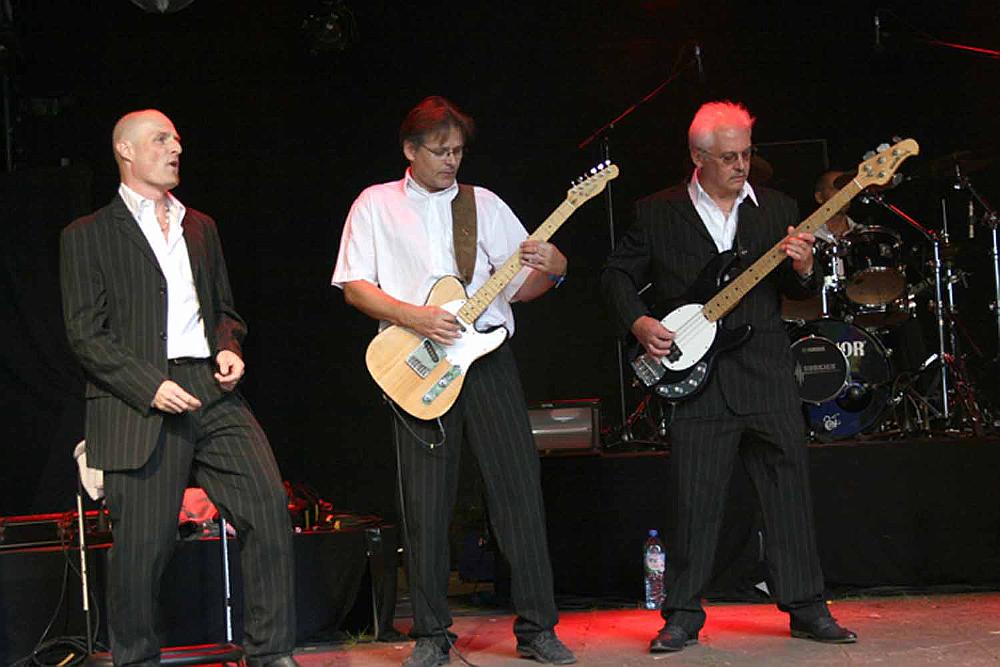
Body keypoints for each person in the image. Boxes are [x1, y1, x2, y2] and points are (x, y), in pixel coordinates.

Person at [601, 101, 857, 653]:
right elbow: (616, 275)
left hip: (765, 372)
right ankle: (682, 615)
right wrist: (640, 322)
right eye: (728, 157)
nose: (741, 165)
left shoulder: (778, 208)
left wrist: (804, 268)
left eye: (746, 153)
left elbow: (797, 293)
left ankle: (807, 607)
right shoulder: (657, 212)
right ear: (698, 157)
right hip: (698, 380)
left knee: (788, 496)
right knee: (693, 502)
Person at [331, 96, 575, 667]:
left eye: (458, 151)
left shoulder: (483, 204)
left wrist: (557, 271)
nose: (451, 161)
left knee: (518, 491)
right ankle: (431, 634)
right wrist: (414, 317)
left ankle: (538, 627)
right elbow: (354, 286)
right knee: (425, 502)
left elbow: (520, 288)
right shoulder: (375, 204)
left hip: (487, 358)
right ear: (409, 149)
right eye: (440, 151)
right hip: (419, 360)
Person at [60, 109, 298, 667]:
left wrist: (229, 347)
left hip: (208, 388)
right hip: (137, 396)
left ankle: (270, 652)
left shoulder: (200, 226)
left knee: (267, 507)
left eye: (177, 139)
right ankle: (136, 659)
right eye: (160, 139)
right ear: (125, 150)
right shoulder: (87, 235)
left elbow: (225, 311)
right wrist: (151, 386)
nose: (175, 148)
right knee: (143, 546)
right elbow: (85, 335)